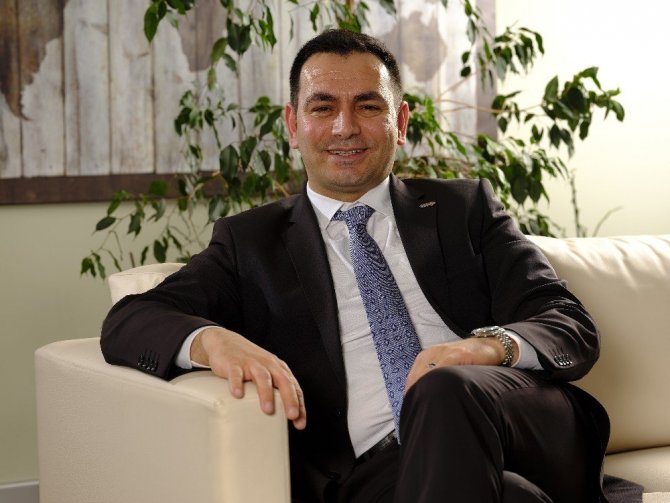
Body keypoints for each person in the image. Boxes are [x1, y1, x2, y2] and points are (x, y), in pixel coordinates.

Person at [101, 29, 633, 503]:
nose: (345, 127)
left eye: (368, 106)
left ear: (399, 122)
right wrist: (213, 341)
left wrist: (484, 347)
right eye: (323, 107)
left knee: (444, 386)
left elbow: (567, 322)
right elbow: (130, 320)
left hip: (517, 422)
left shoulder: (464, 209)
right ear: (293, 125)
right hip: (378, 471)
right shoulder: (250, 243)